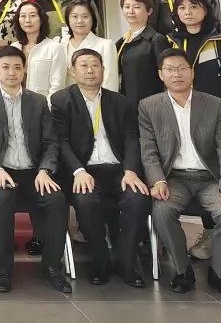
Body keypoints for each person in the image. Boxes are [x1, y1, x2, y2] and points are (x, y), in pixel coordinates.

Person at [139, 49, 221, 298]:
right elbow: (148, 150)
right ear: (161, 74)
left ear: (192, 72)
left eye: (182, 69)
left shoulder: (215, 105)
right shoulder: (149, 106)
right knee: (162, 211)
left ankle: (219, 273)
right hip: (173, 178)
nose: (177, 74)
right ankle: (182, 270)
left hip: (210, 179)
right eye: (170, 69)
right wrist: (157, 180)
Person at [0, 47, 72, 295]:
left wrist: (45, 170)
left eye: (17, 67)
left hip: (34, 173)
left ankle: (52, 267)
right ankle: (4, 270)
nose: (12, 72)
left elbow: (50, 143)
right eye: (5, 67)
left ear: (24, 70)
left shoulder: (38, 101)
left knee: (57, 200)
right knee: (3, 200)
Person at [51, 49, 151, 287]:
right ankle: (100, 260)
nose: (90, 71)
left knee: (138, 198)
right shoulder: (61, 101)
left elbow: (131, 138)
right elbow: (61, 142)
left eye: (95, 65)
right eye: (84, 65)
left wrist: (130, 170)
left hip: (118, 170)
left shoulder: (121, 102)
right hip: (83, 171)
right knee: (86, 201)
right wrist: (78, 171)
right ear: (73, 71)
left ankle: (127, 262)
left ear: (103, 70)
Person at [167, 0, 221, 266]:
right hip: (182, 126)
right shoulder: (171, 43)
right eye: (182, 8)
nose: (188, 12)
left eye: (194, 6)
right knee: (199, 179)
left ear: (206, 10)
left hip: (219, 125)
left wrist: (215, 116)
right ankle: (210, 234)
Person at [115, 0, 171, 105]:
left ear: (149, 11)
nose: (130, 11)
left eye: (136, 7)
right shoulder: (122, 42)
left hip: (151, 104)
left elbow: (167, 76)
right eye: (127, 7)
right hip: (126, 104)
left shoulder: (156, 40)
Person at [10, 0, 67, 101]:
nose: (27, 20)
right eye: (23, 16)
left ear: (41, 19)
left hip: (44, 106)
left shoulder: (55, 48)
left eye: (32, 15)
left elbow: (57, 86)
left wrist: (45, 107)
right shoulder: (14, 47)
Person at [62, 2, 117, 92]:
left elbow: (110, 82)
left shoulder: (106, 45)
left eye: (85, 16)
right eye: (74, 16)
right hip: (66, 98)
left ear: (93, 19)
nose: (80, 21)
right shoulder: (61, 45)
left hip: (95, 98)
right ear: (68, 20)